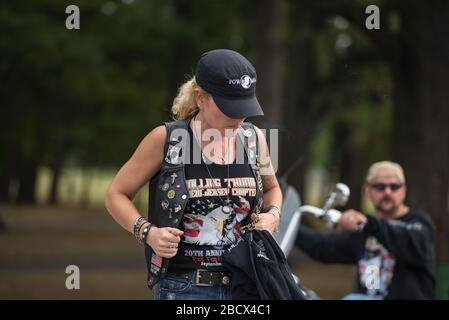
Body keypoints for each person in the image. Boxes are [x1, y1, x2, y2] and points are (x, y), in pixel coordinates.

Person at [105, 49, 282, 300]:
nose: (239, 116)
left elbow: (273, 188)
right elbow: (116, 194)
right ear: (201, 98)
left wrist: (273, 215)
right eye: (229, 106)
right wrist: (148, 233)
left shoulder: (255, 139)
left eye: (244, 106)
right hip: (186, 288)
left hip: (248, 284)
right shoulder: (167, 140)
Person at [295, 161, 435, 299]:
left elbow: (413, 241)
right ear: (366, 191)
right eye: (380, 187)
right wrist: (288, 225)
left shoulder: (418, 222)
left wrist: (368, 223)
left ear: (404, 190)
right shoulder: (363, 231)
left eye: (394, 186)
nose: (387, 192)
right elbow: (323, 247)